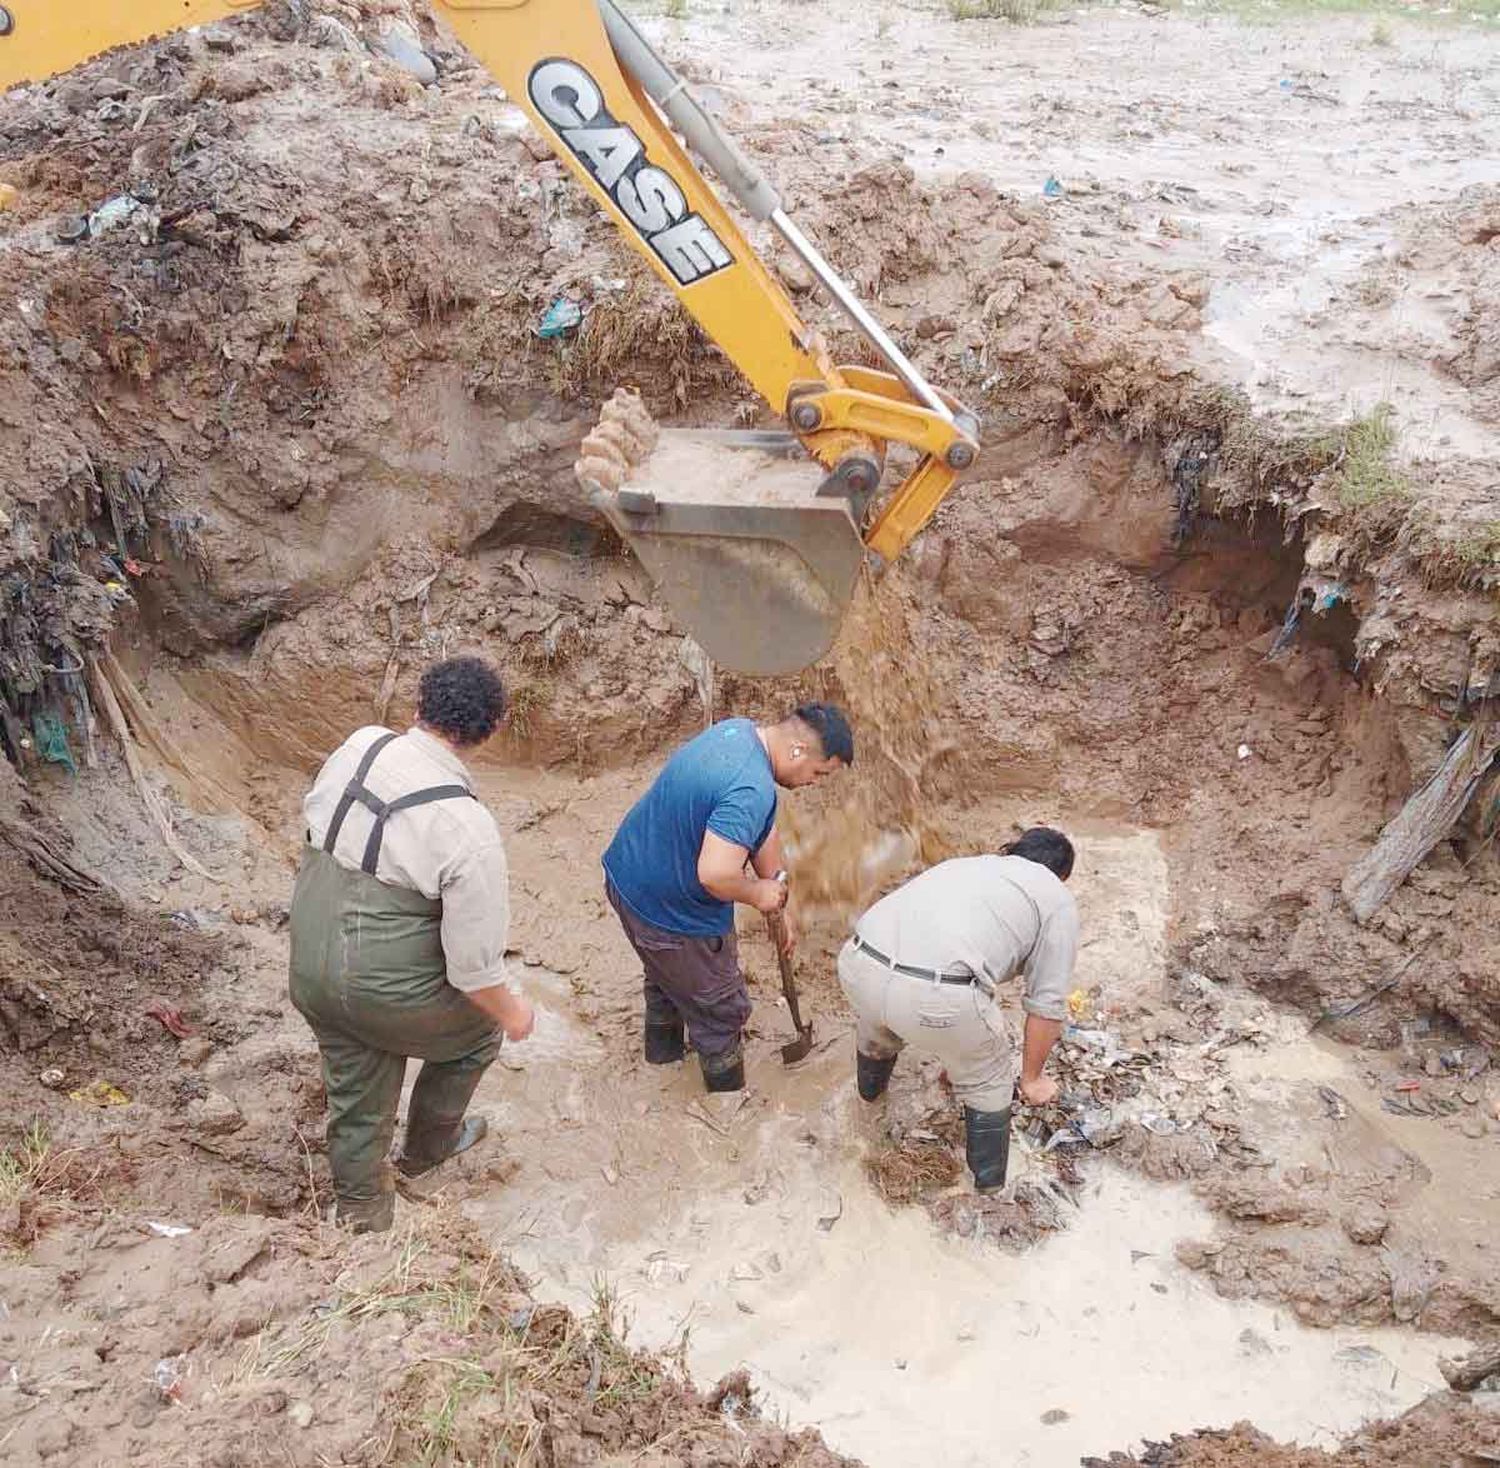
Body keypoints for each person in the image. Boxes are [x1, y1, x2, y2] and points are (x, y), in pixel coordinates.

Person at [289, 656, 535, 1233]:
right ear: (491, 732)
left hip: (309, 967)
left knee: (358, 1080)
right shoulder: (467, 827)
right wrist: (516, 1015)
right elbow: (474, 972)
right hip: (381, 989)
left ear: (417, 707)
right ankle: (428, 1152)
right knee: (480, 1030)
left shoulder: (359, 745)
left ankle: (361, 1215)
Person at [602, 705, 853, 1093]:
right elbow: (715, 875)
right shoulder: (750, 788)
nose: (814, 783)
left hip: (628, 880)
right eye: (819, 773)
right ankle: (725, 1104)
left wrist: (778, 894)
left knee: (668, 979)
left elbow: (761, 828)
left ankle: (663, 1061)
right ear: (799, 750)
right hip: (671, 914)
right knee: (721, 1009)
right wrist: (757, 893)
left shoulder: (739, 734)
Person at [837, 827, 1079, 1193]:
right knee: (990, 1076)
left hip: (857, 963)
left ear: (1013, 852)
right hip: (931, 996)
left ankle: (868, 1106)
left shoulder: (968, 866)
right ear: (1061, 876)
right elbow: (1047, 1005)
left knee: (879, 1025)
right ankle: (987, 1189)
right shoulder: (1055, 897)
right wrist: (1031, 1079)